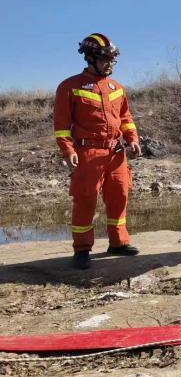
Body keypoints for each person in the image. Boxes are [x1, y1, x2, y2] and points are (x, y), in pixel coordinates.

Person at [53, 33, 141, 270]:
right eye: (105, 59)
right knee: (86, 199)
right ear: (90, 58)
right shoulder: (69, 86)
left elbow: (125, 118)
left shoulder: (117, 88)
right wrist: (67, 149)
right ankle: (82, 249)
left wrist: (132, 139)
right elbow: (61, 125)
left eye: (112, 59)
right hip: (87, 153)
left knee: (119, 195)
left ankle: (118, 243)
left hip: (116, 153)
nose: (110, 64)